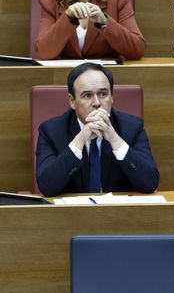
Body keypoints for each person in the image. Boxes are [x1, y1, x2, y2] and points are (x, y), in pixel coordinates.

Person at [36, 62, 159, 197]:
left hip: (119, 214)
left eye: (102, 94)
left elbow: (150, 183)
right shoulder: (51, 131)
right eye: (87, 96)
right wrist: (80, 139)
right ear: (72, 101)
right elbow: (46, 186)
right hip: (71, 215)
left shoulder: (132, 127)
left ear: (112, 97)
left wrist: (114, 139)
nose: (96, 103)